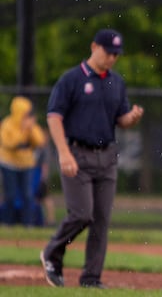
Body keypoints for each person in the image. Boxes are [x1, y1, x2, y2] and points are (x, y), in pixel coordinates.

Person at [40, 28, 144, 288]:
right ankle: (52, 252)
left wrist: (130, 119)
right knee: (81, 214)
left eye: (116, 55)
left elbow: (120, 118)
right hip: (77, 154)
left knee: (100, 220)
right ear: (94, 47)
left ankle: (91, 278)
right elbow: (54, 116)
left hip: (106, 156)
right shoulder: (71, 79)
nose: (112, 58)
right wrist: (63, 153)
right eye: (108, 52)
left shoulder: (116, 82)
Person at [0, 95, 48, 226]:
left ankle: (29, 225)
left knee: (28, 196)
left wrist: (30, 128)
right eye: (25, 112)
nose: (27, 114)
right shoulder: (7, 124)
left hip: (27, 165)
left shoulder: (31, 125)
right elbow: (8, 143)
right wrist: (22, 131)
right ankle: (7, 224)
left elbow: (40, 142)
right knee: (10, 196)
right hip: (9, 165)